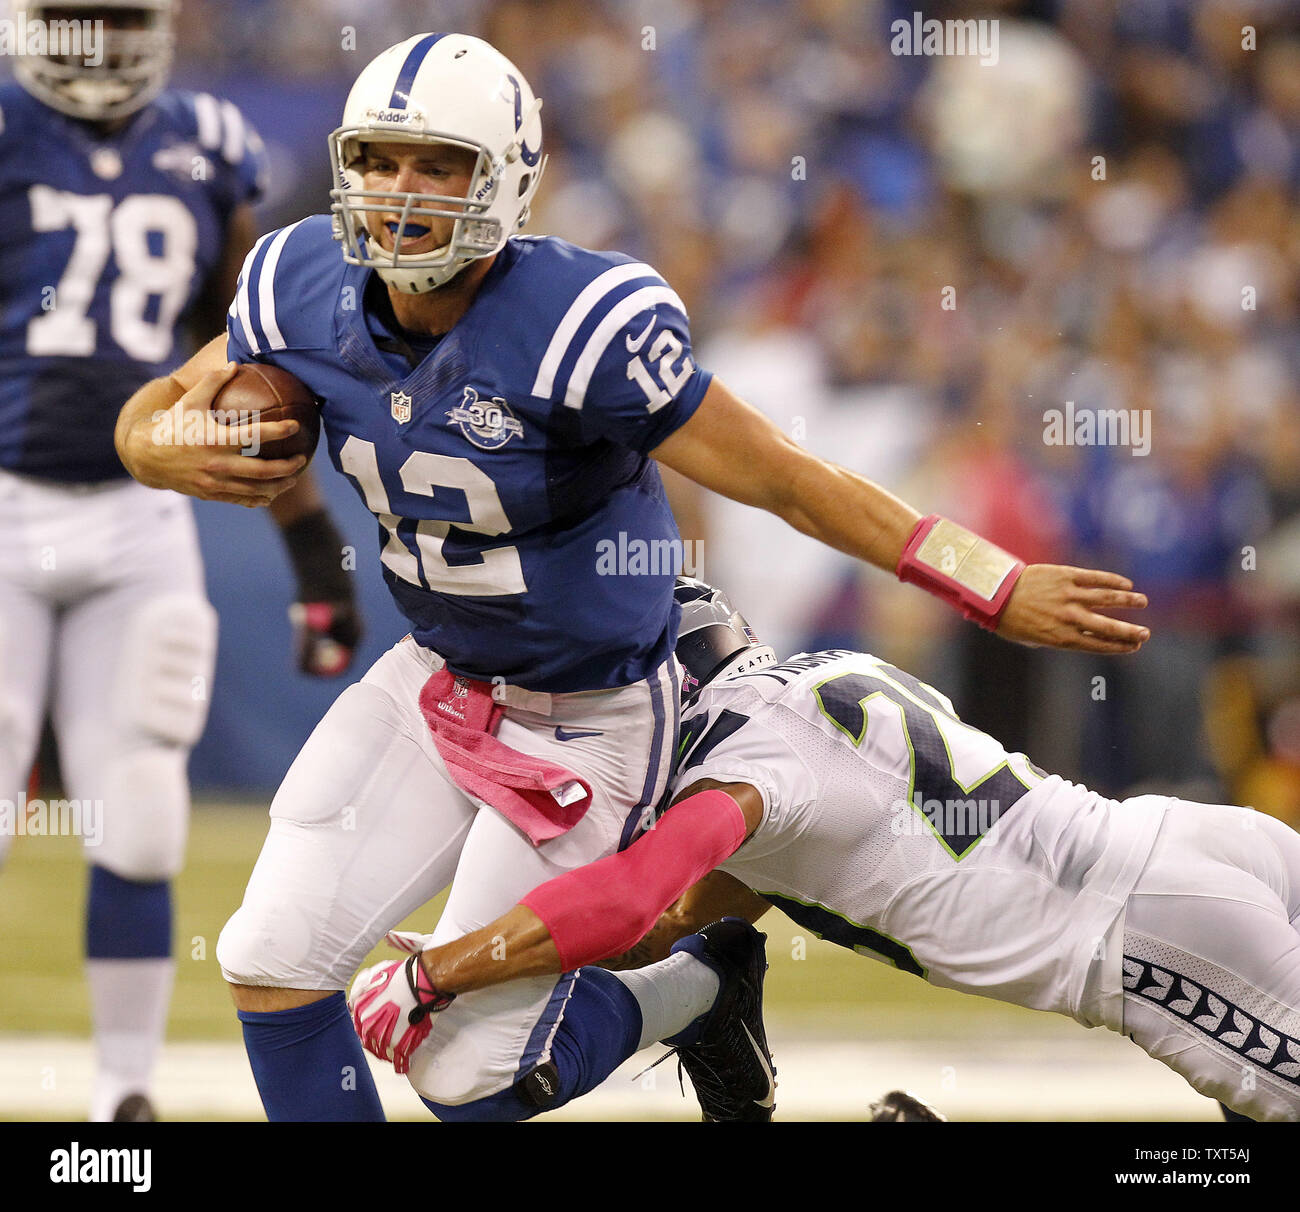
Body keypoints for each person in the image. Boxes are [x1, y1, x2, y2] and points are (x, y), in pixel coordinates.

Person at [112, 32, 1149, 1122]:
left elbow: (786, 478)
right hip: (439, 680)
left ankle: (696, 984)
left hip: (591, 717)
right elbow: (152, 413)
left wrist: (986, 580)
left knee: (465, 1077)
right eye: (377, 159)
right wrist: (154, 450)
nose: (399, 191)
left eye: (437, 165)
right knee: (269, 955)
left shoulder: (578, 322)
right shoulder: (297, 276)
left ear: (504, 177)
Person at [356, 578, 1300, 1123]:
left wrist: (441, 971)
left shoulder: (744, 773)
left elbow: (637, 898)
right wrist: (494, 961)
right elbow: (681, 921)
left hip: (1148, 933)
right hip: (1187, 841)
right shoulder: (822, 679)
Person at [0, 0, 360, 1122]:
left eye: (119, 17)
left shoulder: (205, 144)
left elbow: (248, 360)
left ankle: (124, 1098)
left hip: (139, 511)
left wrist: (310, 546)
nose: (100, 42)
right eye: (77, 18)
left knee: (145, 808)